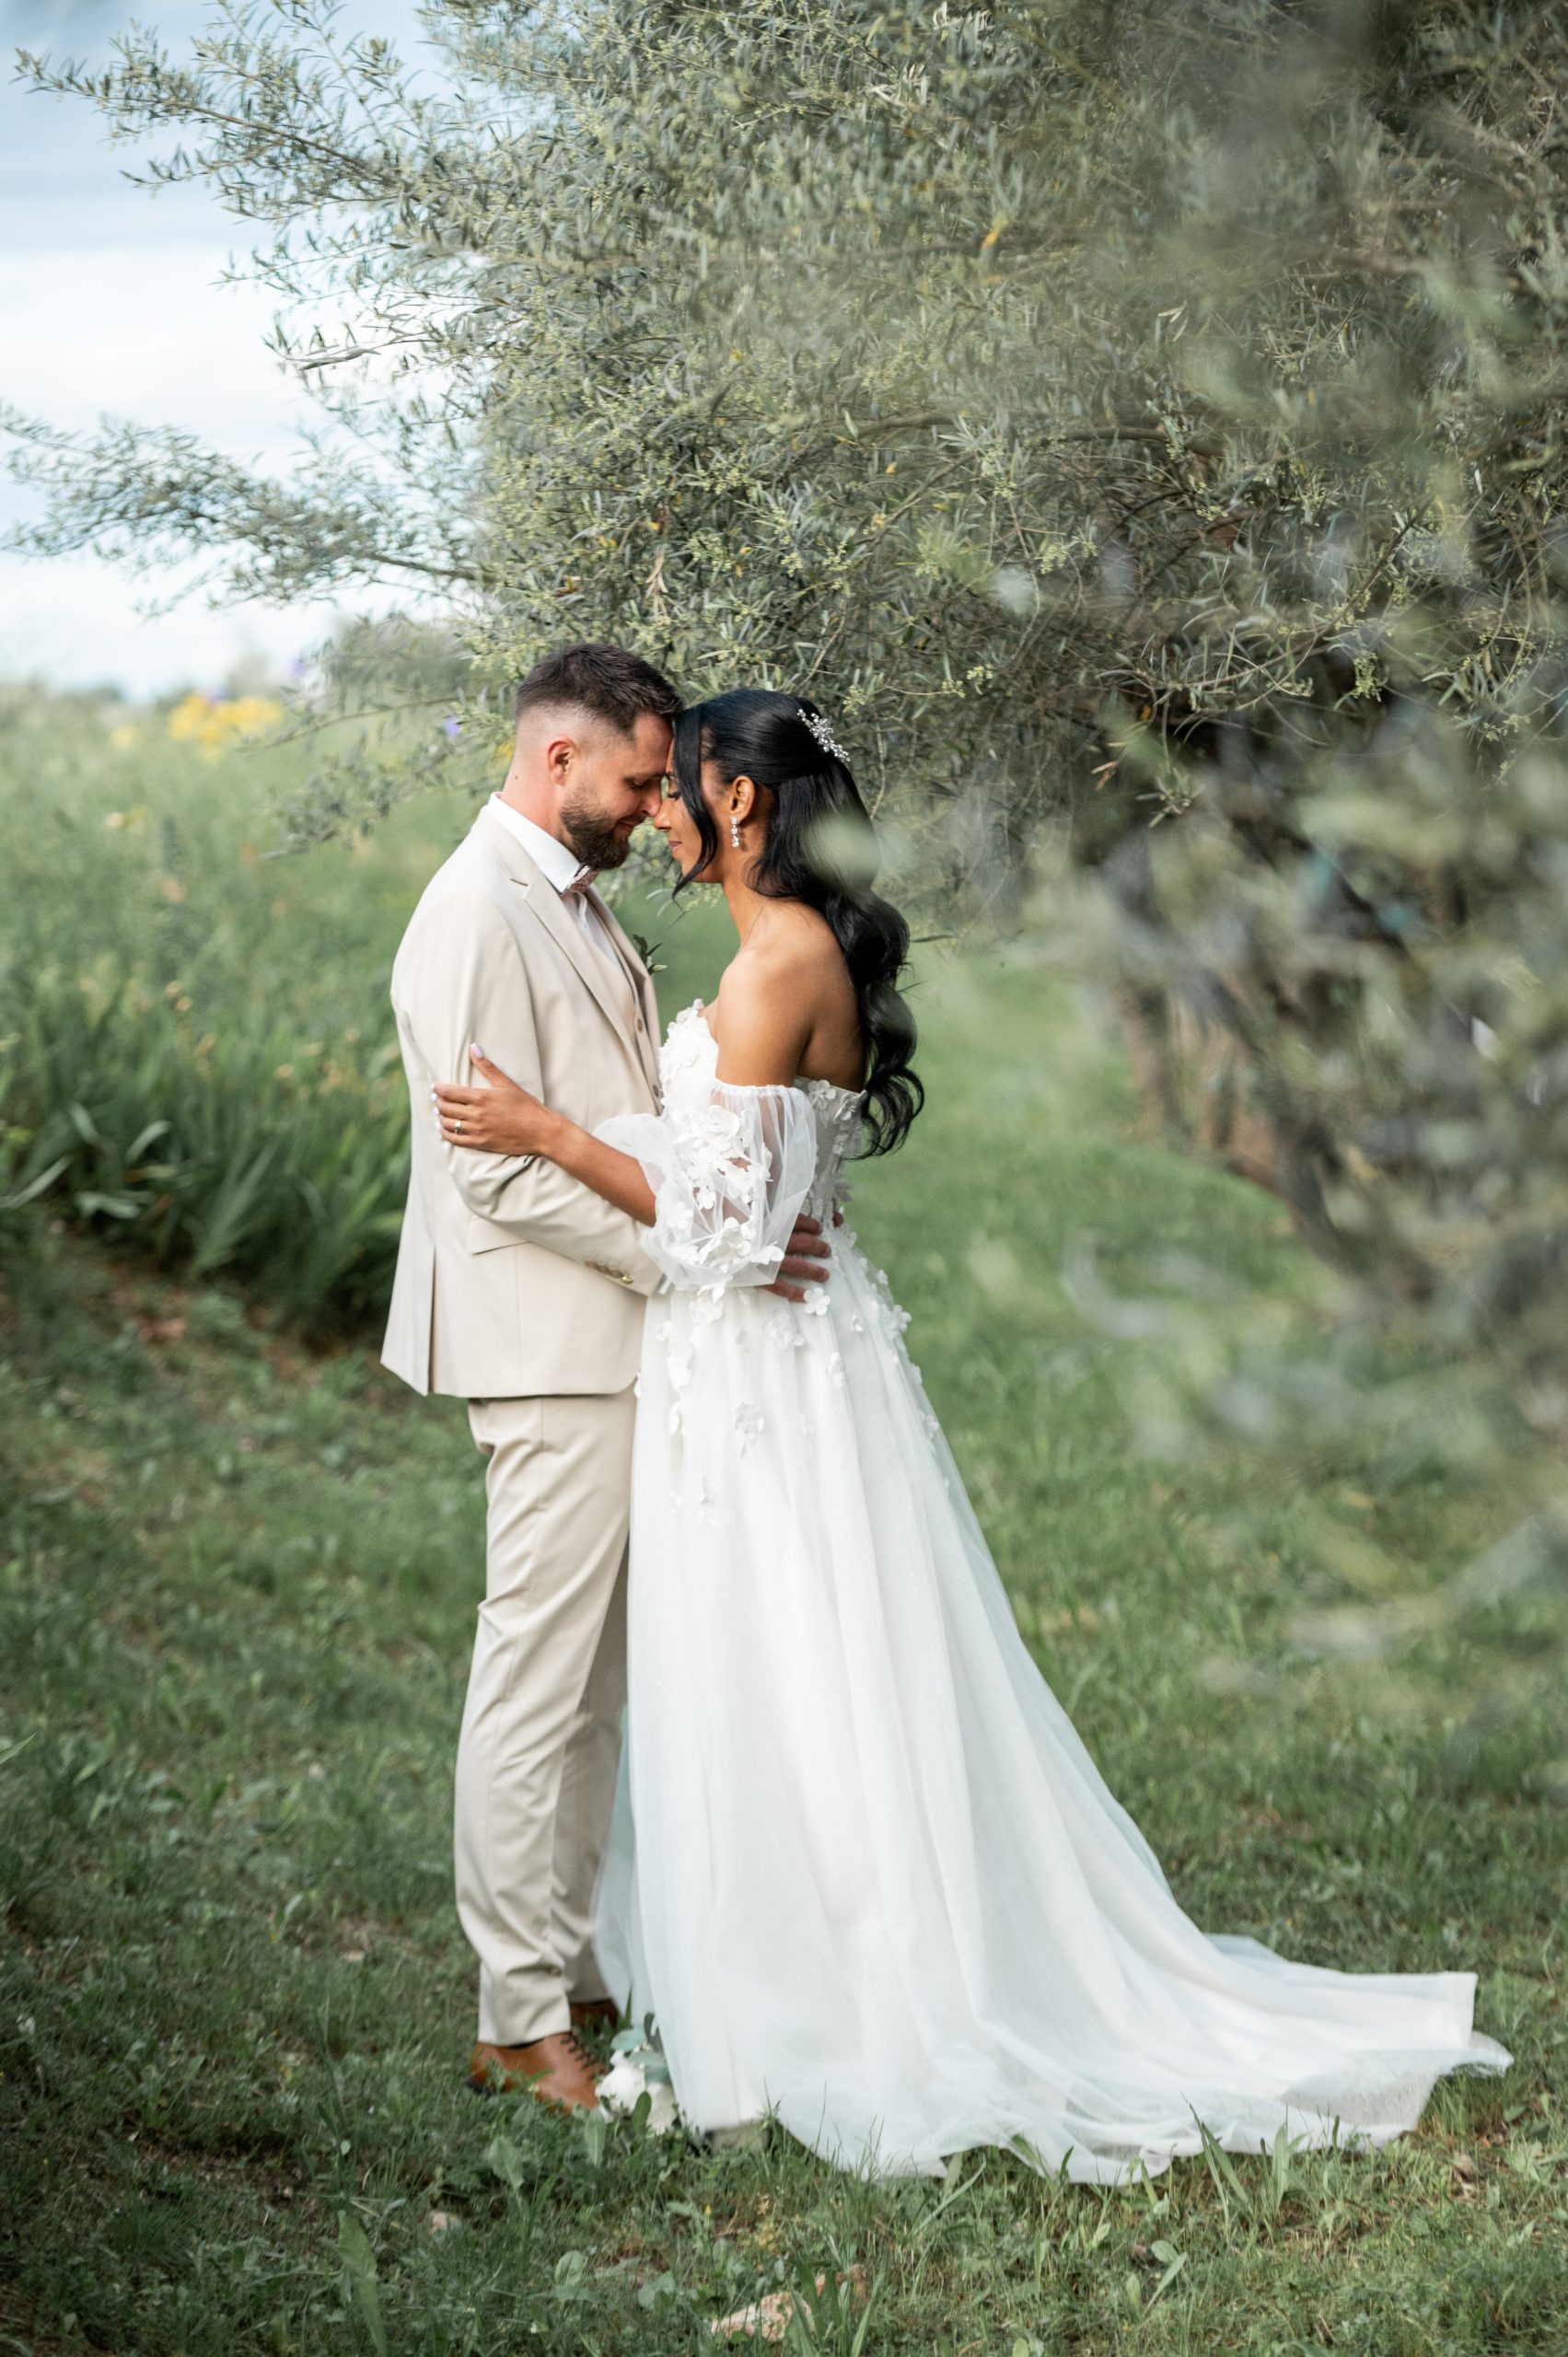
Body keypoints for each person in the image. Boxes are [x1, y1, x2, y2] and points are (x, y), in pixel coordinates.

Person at [432, 685, 1510, 2180]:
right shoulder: (774, 950)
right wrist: (718, 1193)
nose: (660, 807)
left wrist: (551, 1134)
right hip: (761, 1361)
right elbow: (739, 1183)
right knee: (785, 1658)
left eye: (678, 785)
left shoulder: (775, 965)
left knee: (797, 1662)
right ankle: (753, 1962)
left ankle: (831, 1983)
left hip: (762, 1374)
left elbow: (724, 1228)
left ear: (739, 802)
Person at [382, 647, 831, 2114]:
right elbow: (491, 1175)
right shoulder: (475, 910)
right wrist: (695, 1260)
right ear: (557, 757)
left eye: (662, 786)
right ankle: (517, 2022)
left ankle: (573, 1974)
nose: (652, 808)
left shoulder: (566, 897)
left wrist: (724, 1223)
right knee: (537, 1679)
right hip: (549, 1346)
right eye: (638, 782)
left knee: (594, 1689)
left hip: (618, 1341)